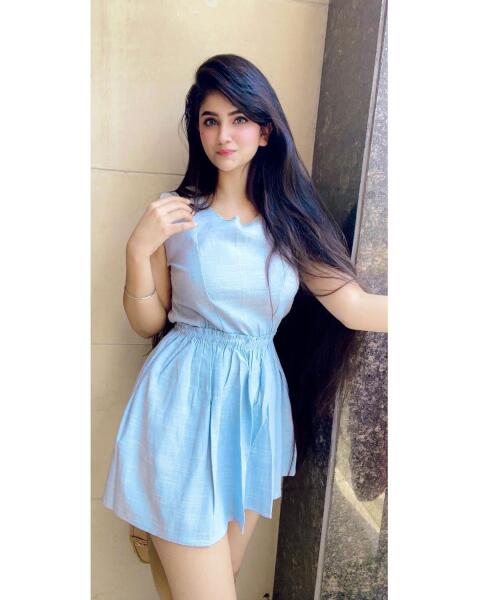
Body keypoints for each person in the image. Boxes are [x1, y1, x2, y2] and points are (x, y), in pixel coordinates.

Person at [102, 53, 388, 600]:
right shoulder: (177, 214)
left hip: (255, 411)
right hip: (182, 406)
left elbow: (353, 306)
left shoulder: (291, 222)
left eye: (239, 119)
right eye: (210, 121)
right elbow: (148, 320)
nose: (224, 135)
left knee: (215, 580)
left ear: (265, 130)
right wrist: (138, 250)